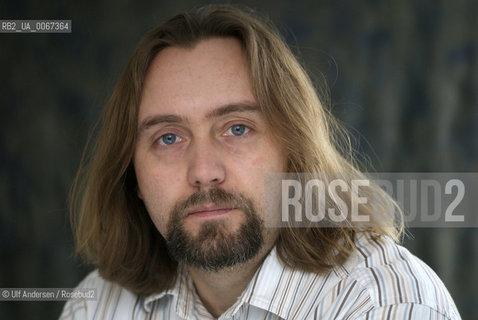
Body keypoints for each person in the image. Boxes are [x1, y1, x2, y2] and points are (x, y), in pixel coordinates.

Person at [59, 4, 461, 319]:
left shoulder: (386, 305)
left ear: (294, 150)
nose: (204, 172)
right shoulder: (97, 306)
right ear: (134, 180)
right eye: (168, 138)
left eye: (236, 129)